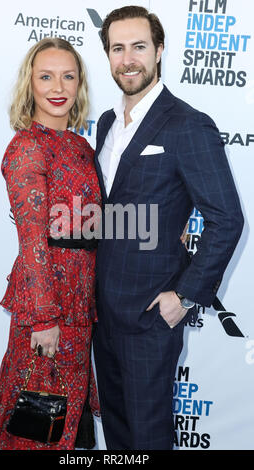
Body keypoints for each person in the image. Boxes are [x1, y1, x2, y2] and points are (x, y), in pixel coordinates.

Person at [93, 6, 244, 450]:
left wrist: (183, 296)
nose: (128, 59)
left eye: (139, 47)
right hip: (101, 315)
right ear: (108, 56)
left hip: (150, 318)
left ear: (159, 51)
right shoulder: (105, 124)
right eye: (117, 48)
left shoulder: (187, 125)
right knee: (118, 438)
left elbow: (227, 220)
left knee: (148, 440)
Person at [0, 38, 101, 450]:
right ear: (30, 85)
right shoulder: (26, 148)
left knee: (68, 430)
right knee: (39, 427)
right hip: (46, 309)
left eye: (68, 76)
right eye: (46, 76)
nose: (58, 86)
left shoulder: (81, 147)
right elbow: (32, 239)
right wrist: (44, 318)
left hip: (81, 306)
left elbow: (95, 224)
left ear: (79, 84)